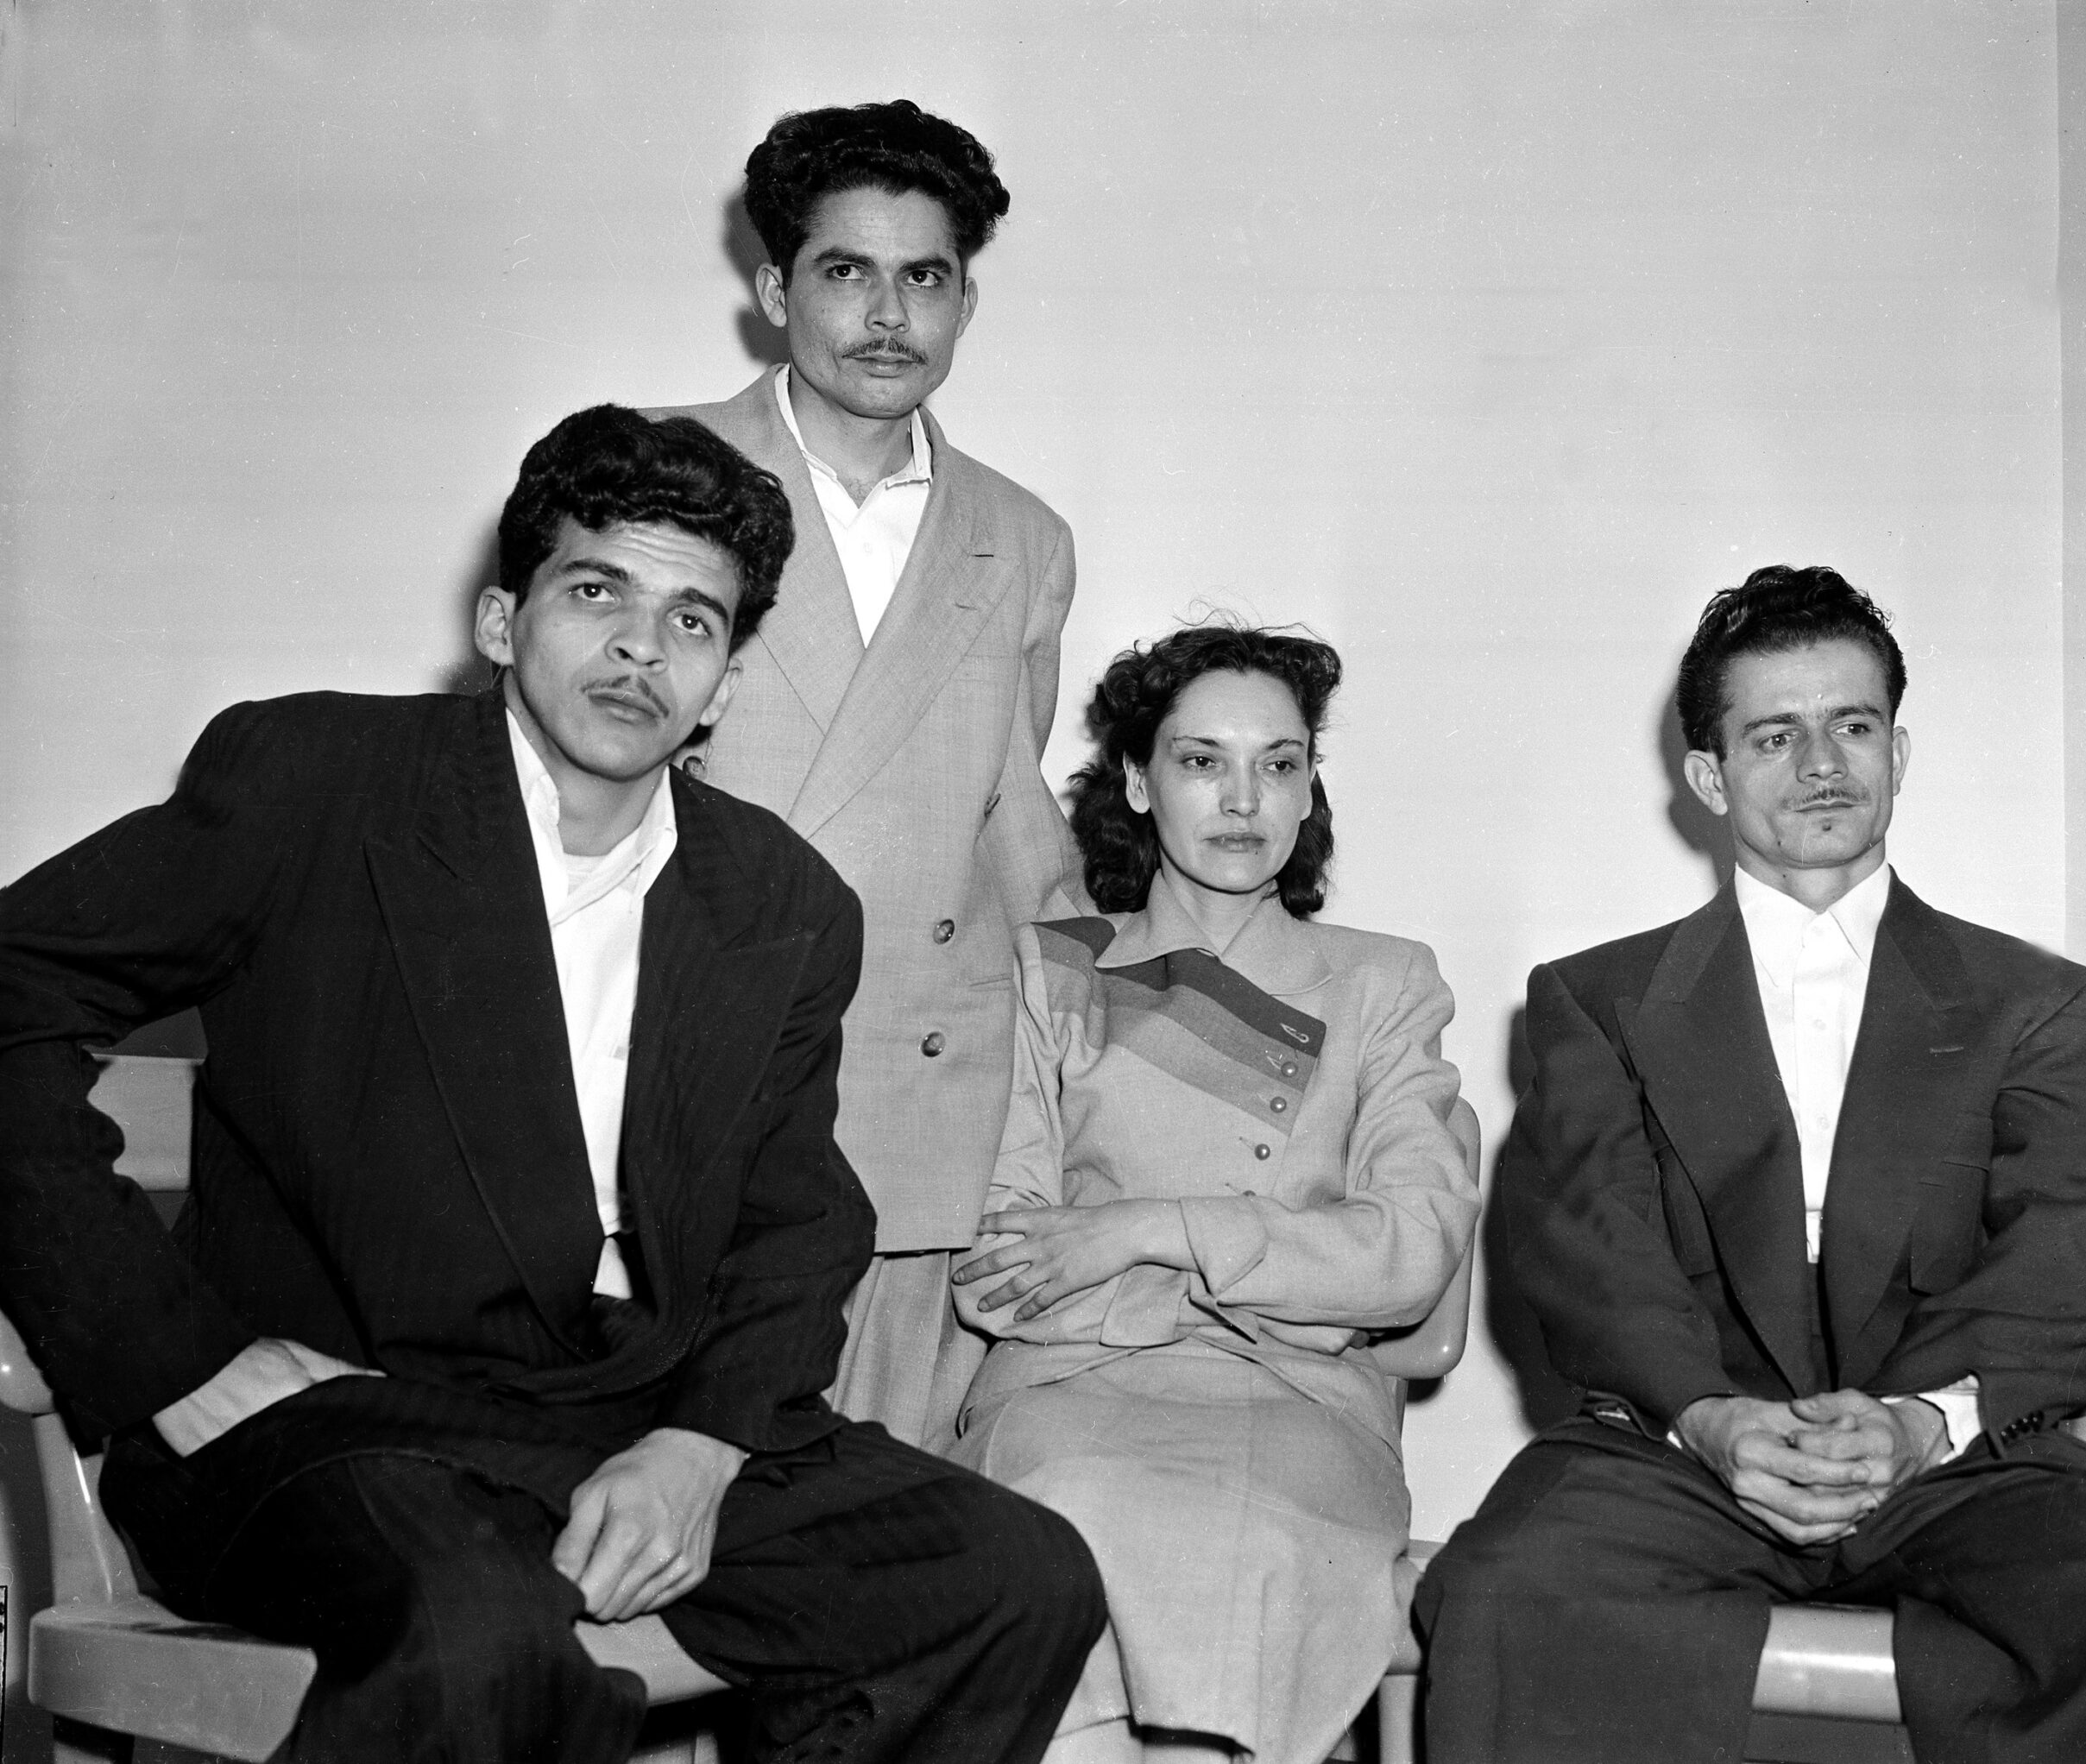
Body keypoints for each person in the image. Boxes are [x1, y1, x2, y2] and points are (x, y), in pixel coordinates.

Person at [0, 404, 1104, 1764]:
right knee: (482, 1634)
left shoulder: (781, 900)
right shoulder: (317, 784)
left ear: (726, 683)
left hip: (623, 1414)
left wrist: (703, 1447)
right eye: (597, 593)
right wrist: (168, 1359)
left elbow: (798, 1220)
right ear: (501, 621)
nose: (643, 647)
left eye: (693, 620)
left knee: (1010, 1577)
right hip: (324, 1418)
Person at [1415, 567, 2086, 1764]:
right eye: (1776, 736)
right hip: (1680, 1447)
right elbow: (1590, 1251)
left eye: (1854, 726)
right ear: (1710, 777)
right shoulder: (1597, 1001)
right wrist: (1710, 1419)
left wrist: (1922, 1424)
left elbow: (2066, 1250)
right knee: (1505, 1590)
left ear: (1898, 751)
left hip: (1959, 1454)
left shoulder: (2043, 1004)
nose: (1824, 764)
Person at [946, 625, 1479, 1764]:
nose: (1244, 799)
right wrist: (1294, 1272)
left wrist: (1139, 1232)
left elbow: (1410, 1252)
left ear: (1309, 787)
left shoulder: (1384, 984)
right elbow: (999, 1271)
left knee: (1241, 1559)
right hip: (1062, 1395)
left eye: (1279, 763)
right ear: (1140, 782)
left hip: (1298, 1409)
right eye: (1201, 761)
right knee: (1053, 1543)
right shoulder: (1051, 970)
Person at [651, 99, 1081, 1450]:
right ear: (778, 289)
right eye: (847, 271)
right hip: (688, 1073)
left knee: (885, 1511)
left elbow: (1011, 818)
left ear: (965, 302)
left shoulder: (1022, 536)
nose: (889, 315)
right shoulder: (654, 475)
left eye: (926, 277)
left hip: (927, 1116)